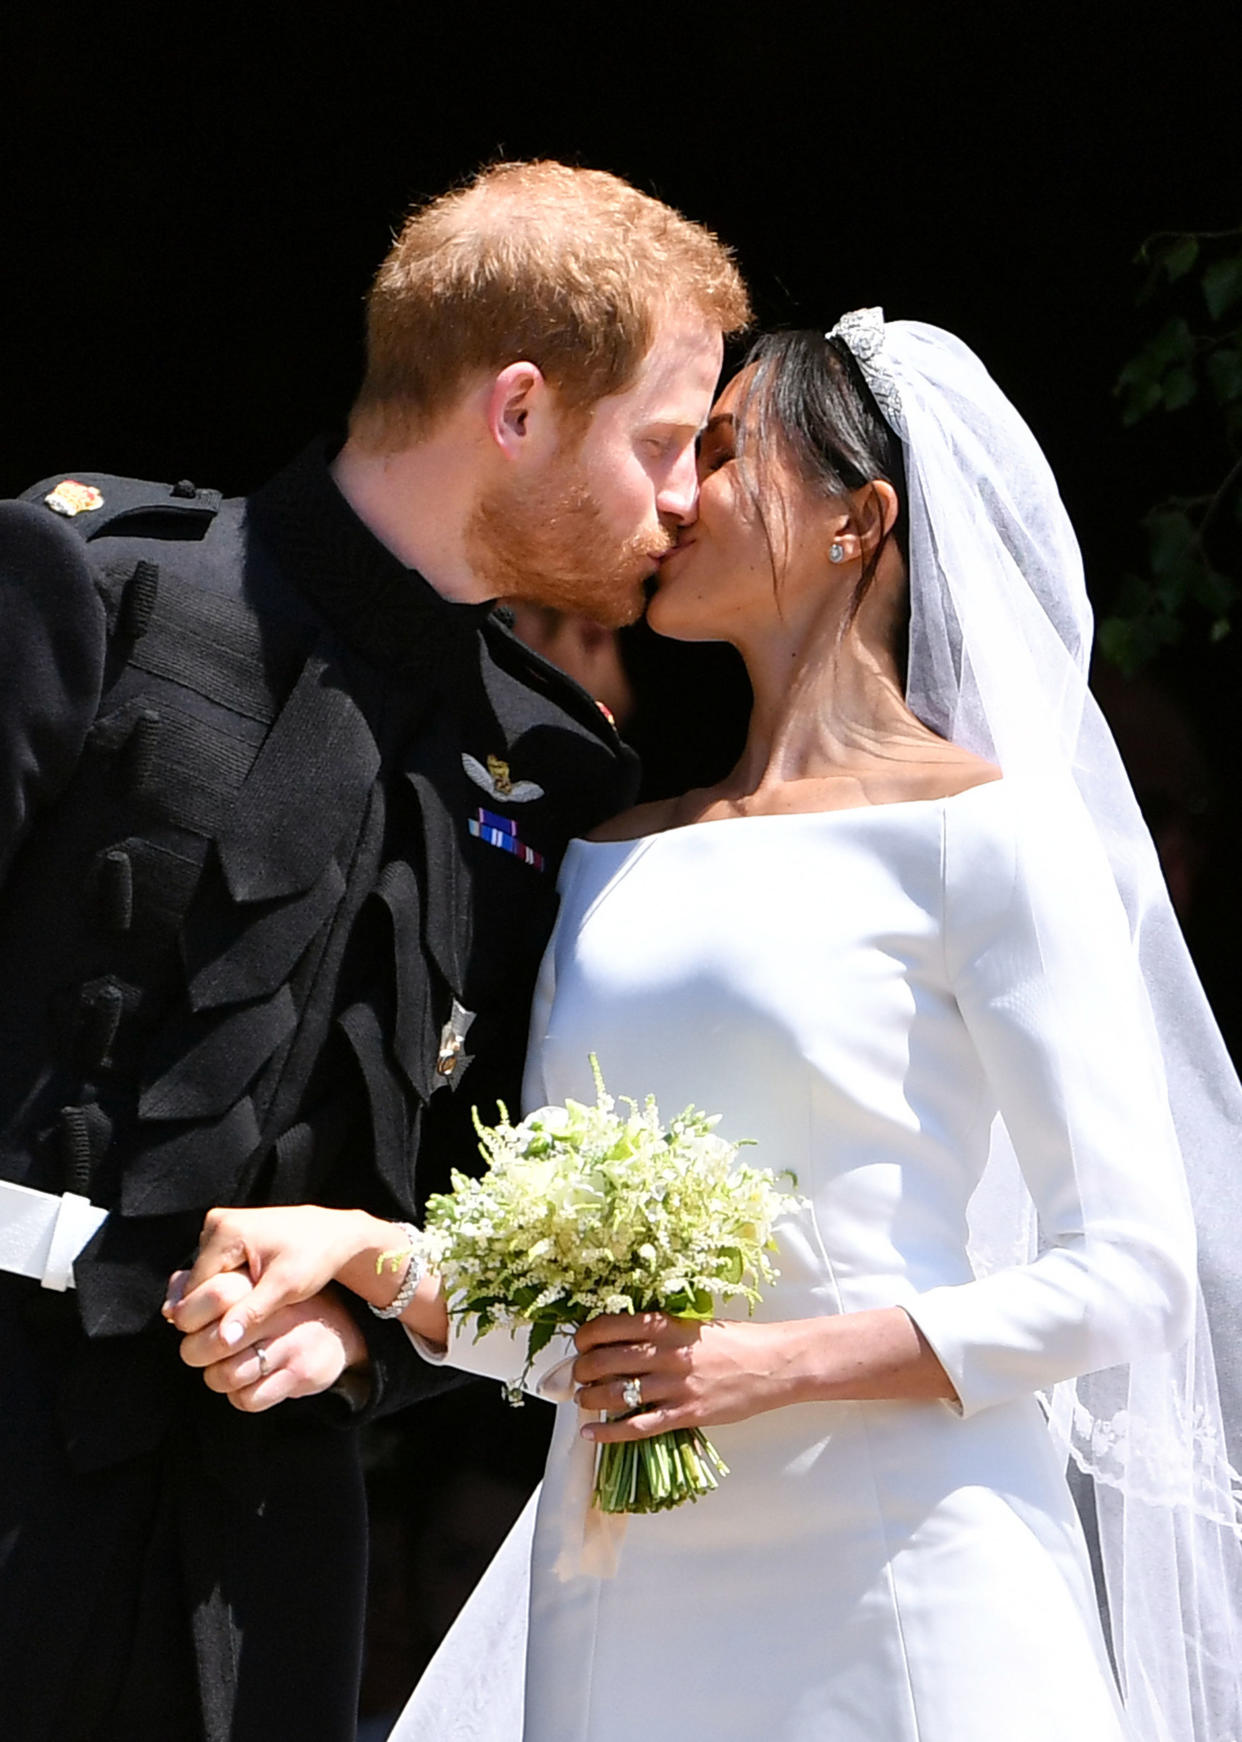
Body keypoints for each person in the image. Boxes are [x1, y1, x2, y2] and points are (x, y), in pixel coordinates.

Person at [171, 313, 1242, 1740]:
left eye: (723, 453)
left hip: (907, 1572)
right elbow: (564, 1323)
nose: (673, 496)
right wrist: (362, 1253)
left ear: (858, 519)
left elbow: (1130, 1274)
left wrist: (767, 1362)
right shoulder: (612, 853)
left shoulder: (987, 839)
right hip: (623, 1587)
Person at [0, 159, 750, 1742]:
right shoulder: (98, 581)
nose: (688, 501)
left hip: (261, 1536)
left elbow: (489, 1197)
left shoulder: (555, 776)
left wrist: (358, 1330)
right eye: (666, 443)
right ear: (521, 408)